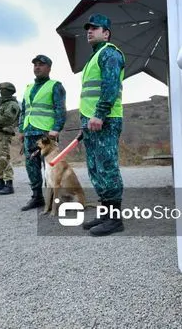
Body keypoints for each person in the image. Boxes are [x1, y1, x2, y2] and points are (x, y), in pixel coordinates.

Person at [79, 13, 126, 236]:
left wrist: (99, 114)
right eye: (88, 28)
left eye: (95, 28)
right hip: (92, 121)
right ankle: (106, 213)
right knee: (96, 169)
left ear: (106, 33)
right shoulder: (94, 57)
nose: (89, 31)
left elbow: (110, 86)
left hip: (105, 120)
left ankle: (116, 220)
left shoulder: (109, 54)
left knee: (107, 167)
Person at [18, 54, 67, 211]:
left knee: (50, 169)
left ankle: (54, 199)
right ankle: (37, 197)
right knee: (31, 166)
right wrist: (21, 129)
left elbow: (60, 109)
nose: (37, 67)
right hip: (29, 133)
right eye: (35, 65)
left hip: (47, 134)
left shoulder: (55, 86)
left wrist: (56, 128)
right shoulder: (28, 88)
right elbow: (23, 111)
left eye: (41, 64)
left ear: (49, 68)